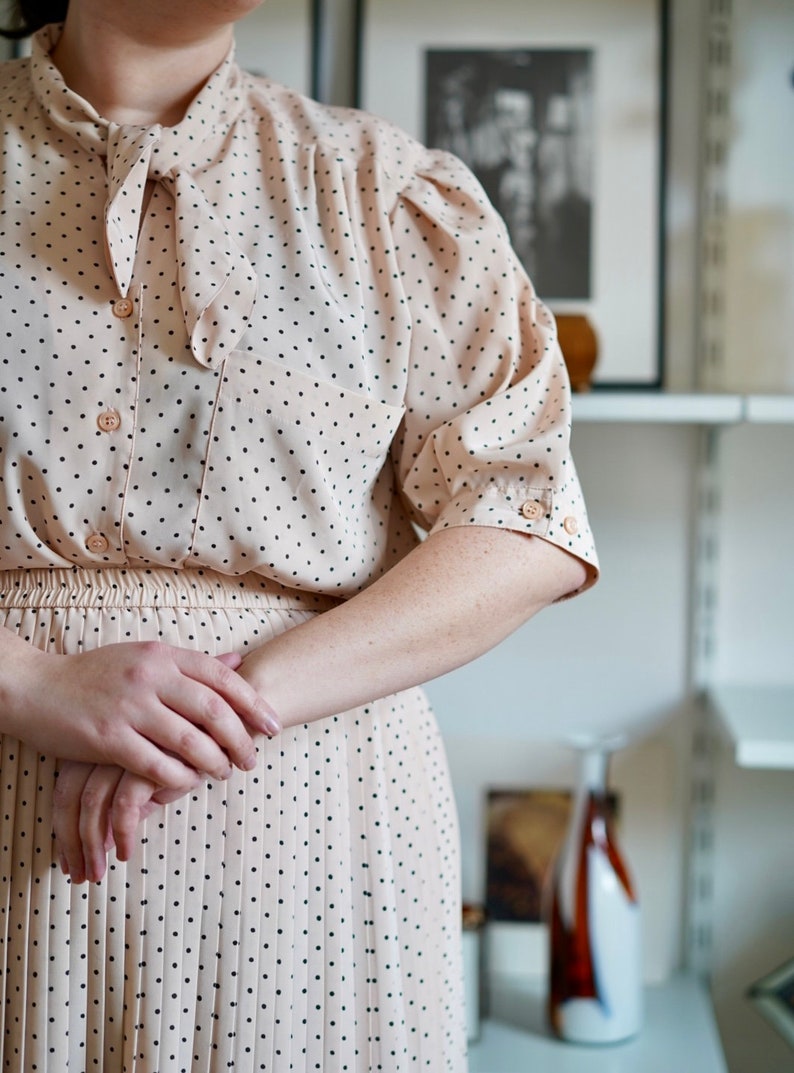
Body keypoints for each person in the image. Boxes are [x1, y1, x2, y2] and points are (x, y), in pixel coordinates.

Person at [0, 2, 598, 1069]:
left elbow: (522, 519)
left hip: (315, 847)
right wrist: (31, 683)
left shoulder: (388, 193)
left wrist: (230, 703)